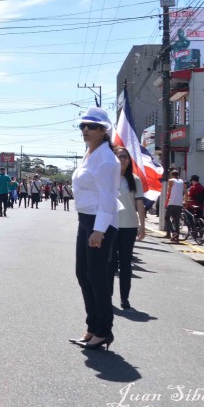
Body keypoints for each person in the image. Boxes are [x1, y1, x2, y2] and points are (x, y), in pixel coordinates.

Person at [70, 106, 120, 351]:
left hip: (100, 222)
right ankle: (92, 327)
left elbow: (108, 197)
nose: (86, 130)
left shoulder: (107, 159)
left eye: (91, 126)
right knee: (83, 273)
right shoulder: (90, 153)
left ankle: (104, 330)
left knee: (97, 277)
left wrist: (99, 230)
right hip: (86, 220)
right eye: (83, 126)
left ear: (104, 130)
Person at [111, 147, 145, 310]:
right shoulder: (108, 177)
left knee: (125, 264)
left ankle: (125, 298)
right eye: (120, 156)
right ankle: (107, 296)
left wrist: (142, 226)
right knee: (110, 263)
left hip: (129, 226)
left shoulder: (135, 179)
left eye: (126, 157)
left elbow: (139, 203)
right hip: (110, 226)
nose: (123, 159)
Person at [163, 169, 185, 243]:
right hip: (179, 203)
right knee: (177, 220)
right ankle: (176, 237)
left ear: (172, 175)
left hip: (172, 202)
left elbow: (168, 193)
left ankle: (174, 232)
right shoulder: (182, 181)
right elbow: (185, 191)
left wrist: (166, 203)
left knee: (166, 218)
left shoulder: (171, 181)